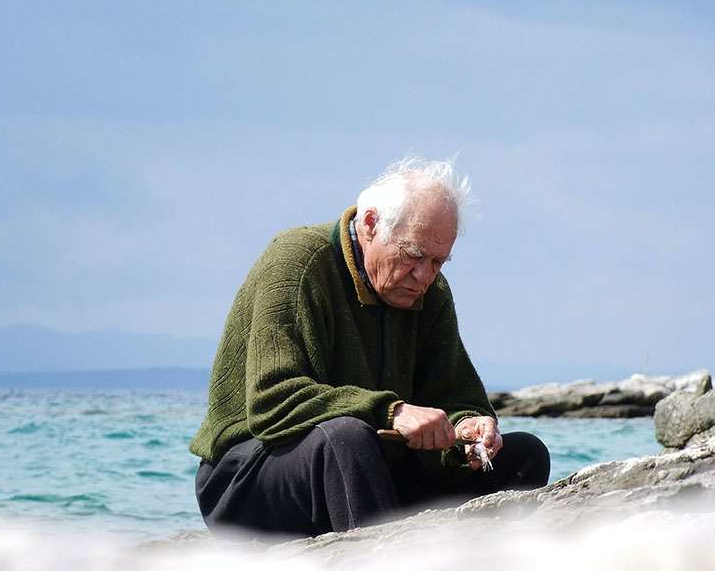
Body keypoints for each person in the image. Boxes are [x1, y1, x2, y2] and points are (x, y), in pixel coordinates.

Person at [190, 158, 550, 539]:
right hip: (251, 477)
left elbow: (454, 395)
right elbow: (271, 401)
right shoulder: (297, 262)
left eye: (438, 262)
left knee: (525, 455)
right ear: (370, 224)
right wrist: (392, 412)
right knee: (346, 438)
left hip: (370, 470)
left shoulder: (431, 292)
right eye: (413, 255)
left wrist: (468, 426)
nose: (424, 276)